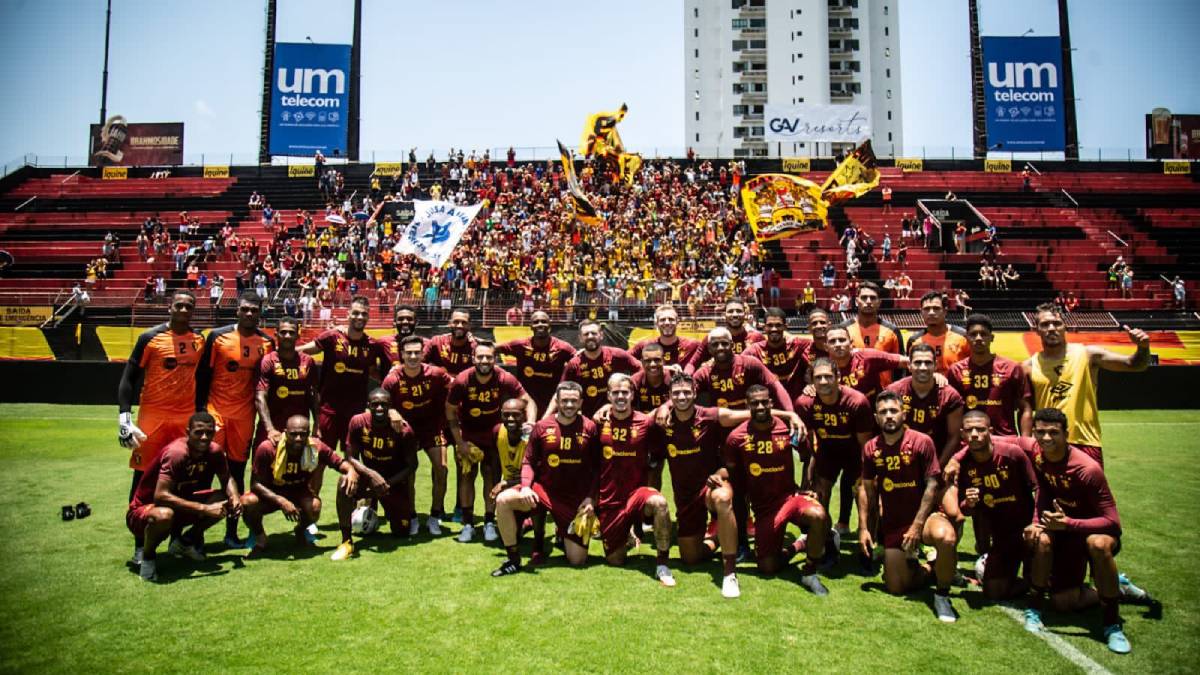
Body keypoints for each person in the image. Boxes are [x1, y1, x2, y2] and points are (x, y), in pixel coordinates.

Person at [1023, 408, 1150, 654]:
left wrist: (1070, 524)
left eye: (1053, 433)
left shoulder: (1087, 469)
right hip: (1066, 532)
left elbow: (1113, 522)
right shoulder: (1038, 452)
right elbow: (996, 438)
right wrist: (957, 457)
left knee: (1098, 544)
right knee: (1061, 601)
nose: (1046, 438)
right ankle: (1114, 587)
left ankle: (1112, 624)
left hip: (1094, 530)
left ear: (1066, 434)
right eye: (1040, 432)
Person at [117, 291, 206, 557]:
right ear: (170, 307)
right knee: (143, 480)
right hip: (152, 419)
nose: (183, 310)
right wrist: (124, 416)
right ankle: (139, 547)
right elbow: (128, 378)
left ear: (193, 310)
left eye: (188, 306)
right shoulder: (150, 338)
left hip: (184, 421)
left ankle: (177, 541)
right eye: (179, 305)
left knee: (183, 480)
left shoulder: (199, 340)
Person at [858, 391, 959, 623]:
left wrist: (916, 526)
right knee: (895, 587)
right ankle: (930, 568)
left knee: (946, 538)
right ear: (876, 418)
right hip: (894, 524)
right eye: (883, 412)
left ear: (903, 414)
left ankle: (942, 596)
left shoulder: (922, 441)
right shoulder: (871, 449)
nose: (889, 416)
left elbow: (932, 485)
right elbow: (867, 491)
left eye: (893, 411)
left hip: (924, 520)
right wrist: (865, 528)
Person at [721, 386, 830, 595]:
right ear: (747, 406)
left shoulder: (788, 428)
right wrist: (719, 476)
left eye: (764, 402)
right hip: (764, 508)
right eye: (755, 403)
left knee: (818, 515)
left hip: (790, 497)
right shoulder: (736, 438)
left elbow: (808, 456)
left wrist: (806, 486)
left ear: (772, 403)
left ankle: (809, 572)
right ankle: (800, 544)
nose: (760, 406)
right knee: (767, 567)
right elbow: (734, 475)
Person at [492, 382, 601, 574]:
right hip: (543, 492)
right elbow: (528, 462)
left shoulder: (590, 427)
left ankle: (563, 535)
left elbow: (597, 469)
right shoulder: (542, 427)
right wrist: (526, 486)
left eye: (573, 401)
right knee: (503, 500)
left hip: (574, 500)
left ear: (581, 402)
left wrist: (591, 498)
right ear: (557, 401)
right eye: (565, 400)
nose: (569, 405)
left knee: (577, 560)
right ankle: (513, 560)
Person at [1023, 303, 1151, 466]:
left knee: (1090, 492)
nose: (1051, 328)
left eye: (1056, 323)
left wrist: (1143, 347)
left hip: (1085, 442)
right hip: (1046, 444)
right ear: (1036, 330)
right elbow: (1025, 409)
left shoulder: (1088, 355)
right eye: (1045, 324)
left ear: (1065, 327)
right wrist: (1027, 443)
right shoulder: (1029, 366)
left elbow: (1134, 364)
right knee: (1048, 492)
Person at [195, 292, 274, 548]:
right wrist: (200, 412)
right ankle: (195, 537)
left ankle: (231, 534)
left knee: (236, 475)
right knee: (205, 473)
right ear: (237, 311)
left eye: (254, 310)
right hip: (215, 414)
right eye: (245, 309)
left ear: (259, 312)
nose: (249, 313)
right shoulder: (217, 337)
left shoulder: (266, 342)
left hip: (243, 417)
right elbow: (202, 376)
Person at [125, 412, 242, 581]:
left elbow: (227, 478)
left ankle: (184, 542)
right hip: (145, 511)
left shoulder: (214, 451)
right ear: (188, 432)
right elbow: (160, 496)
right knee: (164, 515)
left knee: (226, 500)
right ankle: (148, 558)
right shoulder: (177, 453)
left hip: (179, 507)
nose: (204, 437)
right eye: (198, 432)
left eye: (209, 433)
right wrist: (204, 508)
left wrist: (235, 497)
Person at [445, 341, 537, 543]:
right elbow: (450, 410)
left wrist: (530, 423)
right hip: (468, 434)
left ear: (495, 359)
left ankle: (488, 522)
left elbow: (528, 400)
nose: (485, 361)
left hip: (493, 435)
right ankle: (468, 524)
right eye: (480, 357)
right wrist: (459, 442)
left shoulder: (504, 377)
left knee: (491, 476)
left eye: (489, 357)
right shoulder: (462, 380)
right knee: (466, 477)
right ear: (473, 359)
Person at [593, 374, 676, 586]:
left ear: (632, 395)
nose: (621, 396)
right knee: (615, 560)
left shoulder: (646, 423)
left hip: (636, 494)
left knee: (660, 503)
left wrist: (651, 486)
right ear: (608, 396)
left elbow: (659, 455)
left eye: (625, 392)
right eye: (615, 393)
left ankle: (662, 564)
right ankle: (627, 536)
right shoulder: (598, 423)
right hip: (610, 499)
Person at [242, 415, 358, 557]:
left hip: (298, 492)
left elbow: (339, 462)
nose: (298, 438)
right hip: (271, 493)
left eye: (303, 434)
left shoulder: (315, 446)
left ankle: (300, 529)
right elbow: (255, 484)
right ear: (285, 432)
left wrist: (351, 471)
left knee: (315, 507)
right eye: (294, 434)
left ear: (308, 433)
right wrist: (281, 501)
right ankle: (260, 538)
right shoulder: (268, 448)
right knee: (248, 502)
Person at [951, 411, 1038, 600]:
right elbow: (964, 510)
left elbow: (1038, 489)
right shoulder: (963, 465)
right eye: (969, 430)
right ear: (962, 434)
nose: (974, 434)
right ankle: (1027, 584)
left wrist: (1036, 523)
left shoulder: (1012, 454)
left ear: (990, 431)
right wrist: (970, 502)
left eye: (980, 429)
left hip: (1028, 530)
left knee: (1050, 586)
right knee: (993, 591)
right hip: (1002, 536)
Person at [331, 388, 419, 560]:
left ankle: (379, 510)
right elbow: (350, 457)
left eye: (384, 405)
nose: (379, 408)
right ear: (368, 406)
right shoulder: (357, 422)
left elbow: (412, 465)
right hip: (367, 477)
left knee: (402, 531)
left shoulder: (404, 430)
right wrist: (370, 474)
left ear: (390, 407)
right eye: (375, 404)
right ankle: (346, 540)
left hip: (393, 481)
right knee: (344, 481)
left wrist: (386, 484)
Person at [794, 358, 874, 539]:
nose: (823, 381)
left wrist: (866, 474)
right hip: (827, 451)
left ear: (838, 377)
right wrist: (810, 468)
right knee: (820, 493)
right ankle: (824, 540)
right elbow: (809, 440)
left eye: (828, 376)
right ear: (812, 381)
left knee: (865, 494)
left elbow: (866, 445)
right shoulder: (804, 404)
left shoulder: (857, 401)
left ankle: (870, 540)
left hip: (854, 451)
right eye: (818, 377)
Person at [381, 335, 452, 534]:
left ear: (423, 354)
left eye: (416, 352)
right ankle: (411, 516)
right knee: (408, 475)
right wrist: (390, 411)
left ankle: (435, 516)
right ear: (401, 355)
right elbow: (379, 402)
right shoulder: (393, 378)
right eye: (408, 353)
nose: (413, 356)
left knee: (442, 469)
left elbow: (458, 385)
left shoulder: (436, 374)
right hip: (406, 432)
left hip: (432, 428)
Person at [948, 313, 1032, 437]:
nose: (978, 338)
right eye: (973, 334)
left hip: (1005, 439)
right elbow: (950, 412)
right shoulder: (955, 371)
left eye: (983, 334)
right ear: (966, 338)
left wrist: (1025, 441)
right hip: (970, 441)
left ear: (991, 337)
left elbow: (1025, 408)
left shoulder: (1012, 368)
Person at [551, 319, 641, 418]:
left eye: (593, 333)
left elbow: (642, 370)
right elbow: (560, 392)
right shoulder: (574, 364)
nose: (590, 336)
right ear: (580, 338)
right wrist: (545, 419)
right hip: (590, 420)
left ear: (601, 335)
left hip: (619, 416)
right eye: (586, 334)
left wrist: (628, 383)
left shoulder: (617, 355)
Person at [254, 318, 320, 448]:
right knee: (263, 464)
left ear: (298, 335)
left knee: (299, 467)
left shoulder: (308, 362)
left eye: (291, 332)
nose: (287, 336)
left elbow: (314, 396)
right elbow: (260, 397)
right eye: (283, 332)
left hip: (298, 431)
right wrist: (270, 429)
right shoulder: (268, 361)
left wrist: (317, 425)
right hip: (272, 428)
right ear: (276, 333)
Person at [496, 309, 576, 414]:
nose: (540, 324)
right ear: (530, 326)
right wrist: (474, 340)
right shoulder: (520, 345)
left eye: (543, 321)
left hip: (552, 400)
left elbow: (578, 359)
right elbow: (493, 348)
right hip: (526, 399)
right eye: (536, 322)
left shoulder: (562, 347)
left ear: (549, 325)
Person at [742, 307, 813, 399]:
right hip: (767, 402)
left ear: (785, 327)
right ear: (764, 327)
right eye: (770, 325)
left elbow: (820, 345)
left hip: (795, 399)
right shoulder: (755, 350)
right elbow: (737, 363)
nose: (774, 329)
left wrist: (812, 383)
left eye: (778, 325)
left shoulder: (798, 344)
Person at [687, 299, 765, 369]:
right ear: (724, 315)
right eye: (730, 311)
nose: (735, 315)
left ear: (745, 314)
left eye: (739, 311)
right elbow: (692, 364)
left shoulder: (757, 337)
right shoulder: (713, 338)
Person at [906, 291, 971, 374]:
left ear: (945, 311)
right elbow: (909, 374)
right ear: (921, 312)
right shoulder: (914, 341)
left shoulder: (963, 337)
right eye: (926, 309)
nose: (931, 312)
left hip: (956, 386)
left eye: (936, 308)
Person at [629, 304, 701, 372]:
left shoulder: (692, 345)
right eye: (662, 320)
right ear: (657, 323)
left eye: (671, 319)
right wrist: (660, 368)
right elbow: (624, 358)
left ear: (677, 322)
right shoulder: (645, 345)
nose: (667, 323)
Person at [423, 308, 479, 376]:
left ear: (470, 325)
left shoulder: (476, 348)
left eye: (464, 323)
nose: (459, 326)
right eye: (456, 322)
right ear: (449, 323)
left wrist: (478, 339)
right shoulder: (437, 342)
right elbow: (419, 363)